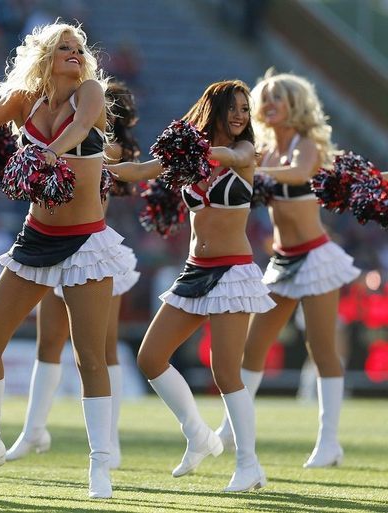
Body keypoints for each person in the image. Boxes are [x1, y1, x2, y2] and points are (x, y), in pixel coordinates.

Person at [0, 21, 135, 499]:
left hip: (85, 243)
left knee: (90, 357)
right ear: (45, 56)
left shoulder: (90, 92)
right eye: (64, 47)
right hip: (35, 239)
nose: (74, 54)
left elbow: (81, 128)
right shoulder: (24, 100)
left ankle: (100, 465)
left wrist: (44, 153)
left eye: (78, 48)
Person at [111, 80, 274, 492]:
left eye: (244, 109)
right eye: (232, 107)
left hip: (232, 272)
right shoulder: (188, 157)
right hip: (193, 271)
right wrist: (91, 167)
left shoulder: (243, 151)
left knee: (225, 371)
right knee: (150, 357)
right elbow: (141, 171)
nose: (239, 115)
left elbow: (233, 155)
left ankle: (249, 465)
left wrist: (194, 150)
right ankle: (198, 434)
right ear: (214, 109)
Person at [214, 71, 359, 468]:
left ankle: (329, 442)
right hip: (281, 261)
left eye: (279, 96)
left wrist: (250, 170)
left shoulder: (304, 145)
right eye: (265, 97)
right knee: (253, 346)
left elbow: (299, 174)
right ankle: (230, 429)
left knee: (321, 348)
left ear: (296, 104)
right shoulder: (261, 149)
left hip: (315, 257)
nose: (270, 103)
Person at [5, 81, 141, 470]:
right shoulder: (62, 126)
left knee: (101, 350)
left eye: (105, 108)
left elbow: (99, 155)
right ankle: (33, 430)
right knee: (48, 342)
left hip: (94, 255)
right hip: (51, 248)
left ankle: (110, 441)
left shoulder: (109, 147)